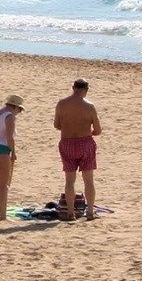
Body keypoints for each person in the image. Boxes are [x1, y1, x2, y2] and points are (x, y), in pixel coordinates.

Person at [54, 79, 103, 221]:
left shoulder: (61, 104)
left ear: (73, 88)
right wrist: (89, 131)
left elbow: (57, 125)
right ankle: (90, 212)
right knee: (88, 180)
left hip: (67, 142)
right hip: (85, 143)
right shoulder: (89, 106)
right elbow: (98, 130)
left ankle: (70, 212)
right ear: (86, 90)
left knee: (69, 180)